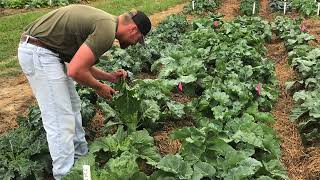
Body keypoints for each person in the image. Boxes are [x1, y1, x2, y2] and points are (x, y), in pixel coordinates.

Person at [17, 4, 151, 179]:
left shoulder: (107, 24)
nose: (134, 44)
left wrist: (109, 77)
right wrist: (99, 87)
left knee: (73, 108)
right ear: (133, 29)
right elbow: (75, 70)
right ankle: (64, 175)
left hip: (49, 52)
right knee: (59, 120)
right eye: (138, 38)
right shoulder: (107, 31)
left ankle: (81, 161)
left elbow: (80, 62)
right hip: (40, 52)